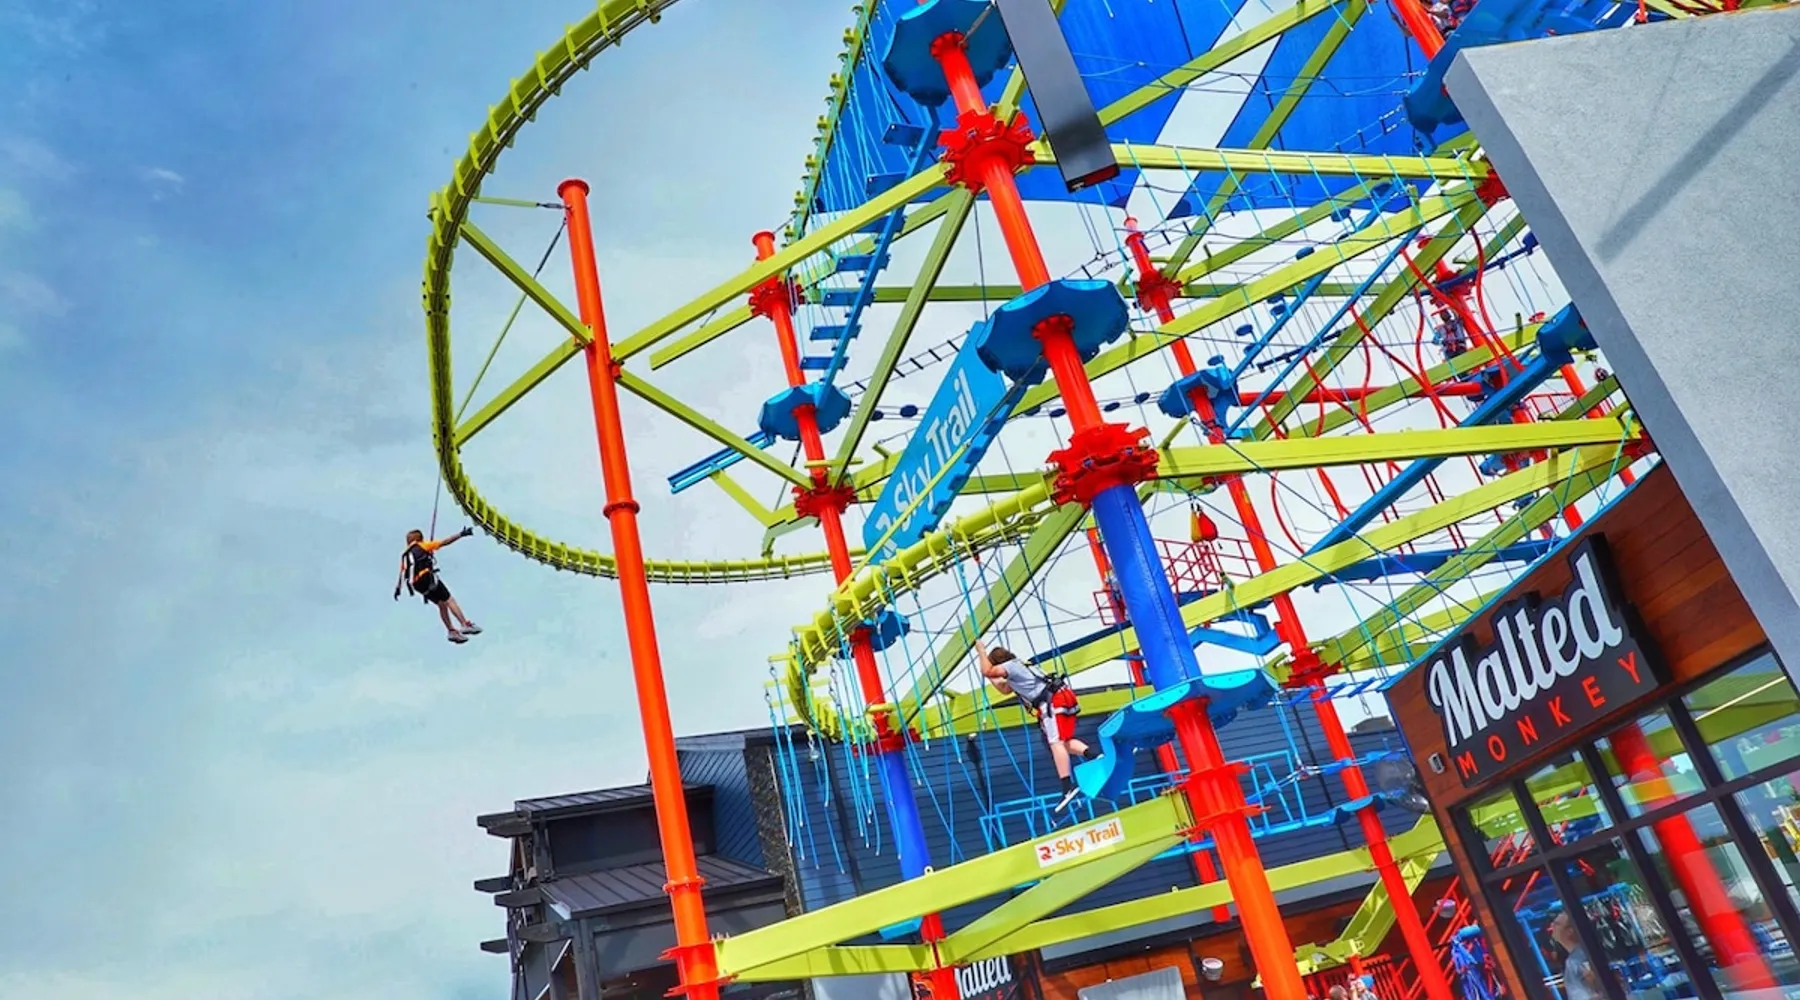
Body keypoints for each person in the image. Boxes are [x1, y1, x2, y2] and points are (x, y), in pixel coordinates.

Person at [975, 639, 1100, 813]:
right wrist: (989, 675)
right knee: (1063, 742)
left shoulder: (1011, 666)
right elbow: (1004, 689)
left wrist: (981, 652)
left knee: (1055, 743)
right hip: (1060, 697)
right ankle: (1095, 756)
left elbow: (988, 670)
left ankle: (1067, 786)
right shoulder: (1020, 668)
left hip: (1052, 702)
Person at [396, 526, 483, 643]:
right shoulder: (422, 545)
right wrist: (461, 534)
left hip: (417, 585)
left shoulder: (405, 555)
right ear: (419, 539)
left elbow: (402, 573)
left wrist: (398, 589)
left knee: (441, 604)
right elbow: (445, 542)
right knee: (449, 600)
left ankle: (451, 631)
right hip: (426, 577)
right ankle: (464, 624)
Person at [1550, 911, 1602, 1000]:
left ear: (1569, 931)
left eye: (1557, 924)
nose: (1552, 926)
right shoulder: (1579, 956)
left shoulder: (1577, 960)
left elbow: (1597, 992)